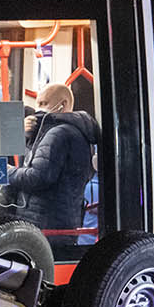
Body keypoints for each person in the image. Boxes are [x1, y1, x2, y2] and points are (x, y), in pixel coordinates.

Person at [6, 83, 99, 242]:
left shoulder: (58, 134)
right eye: (38, 104)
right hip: (61, 222)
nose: (38, 109)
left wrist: (7, 171)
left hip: (44, 224)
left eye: (43, 103)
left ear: (62, 105)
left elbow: (37, 177)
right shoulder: (77, 133)